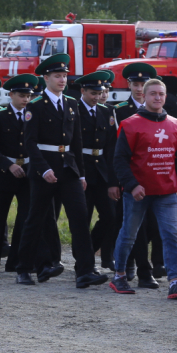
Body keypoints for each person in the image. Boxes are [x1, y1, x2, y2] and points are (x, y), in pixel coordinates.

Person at [15, 54, 105, 289]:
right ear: (46, 78)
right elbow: (29, 142)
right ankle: (24, 268)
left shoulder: (72, 103)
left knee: (79, 220)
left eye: (64, 76)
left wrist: (82, 173)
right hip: (44, 169)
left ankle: (85, 271)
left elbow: (76, 142)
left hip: (69, 169)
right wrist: (43, 169)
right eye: (57, 76)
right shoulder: (35, 105)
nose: (62, 80)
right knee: (35, 218)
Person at [109, 77, 177, 299]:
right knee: (128, 234)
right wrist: (132, 185)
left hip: (166, 193)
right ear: (144, 96)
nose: (157, 98)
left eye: (161, 94)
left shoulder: (176, 125)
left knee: (172, 235)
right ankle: (119, 275)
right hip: (138, 192)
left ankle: (174, 282)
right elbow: (120, 160)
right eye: (153, 93)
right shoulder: (130, 124)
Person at [0, 73, 41, 278]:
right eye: (22, 95)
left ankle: (16, 262)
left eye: (29, 96)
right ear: (11, 95)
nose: (26, 100)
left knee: (25, 220)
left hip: (27, 174)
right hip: (4, 174)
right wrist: (8, 165)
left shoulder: (33, 116)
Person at [113, 63, 163, 287]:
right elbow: (115, 151)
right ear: (129, 85)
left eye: (144, 84)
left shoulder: (162, 109)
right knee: (134, 228)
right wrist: (116, 181)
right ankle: (139, 268)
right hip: (131, 179)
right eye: (136, 84)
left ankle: (145, 265)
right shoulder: (120, 110)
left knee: (153, 226)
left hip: (154, 177)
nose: (140, 88)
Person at [74, 71, 118, 277]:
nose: (96, 96)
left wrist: (113, 178)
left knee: (110, 216)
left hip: (101, 170)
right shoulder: (73, 110)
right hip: (80, 169)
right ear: (82, 91)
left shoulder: (106, 112)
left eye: (99, 92)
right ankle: (84, 262)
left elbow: (111, 146)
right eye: (92, 92)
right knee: (83, 217)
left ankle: (88, 252)